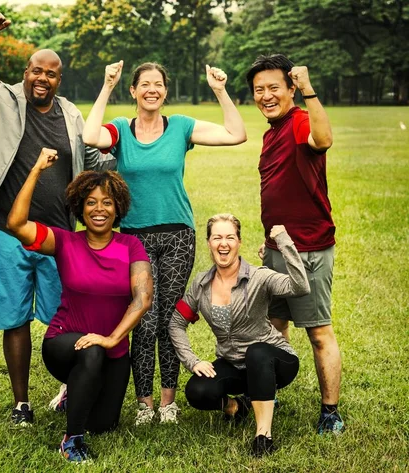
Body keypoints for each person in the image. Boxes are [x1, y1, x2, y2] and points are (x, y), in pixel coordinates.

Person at [0, 9, 114, 426]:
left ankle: (70, 390)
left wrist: (132, 154)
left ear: (58, 80)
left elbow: (92, 158)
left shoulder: (71, 113)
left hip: (57, 235)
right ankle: (21, 404)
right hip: (3, 229)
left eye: (50, 74)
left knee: (64, 316)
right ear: (26, 72)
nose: (42, 79)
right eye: (36, 71)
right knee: (14, 317)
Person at [83, 60, 247, 425]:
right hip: (135, 238)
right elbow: (89, 136)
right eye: (145, 84)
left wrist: (220, 90)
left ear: (165, 91)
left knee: (168, 319)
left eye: (158, 84)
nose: (152, 90)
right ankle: (144, 404)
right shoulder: (121, 130)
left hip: (177, 235)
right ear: (134, 91)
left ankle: (168, 402)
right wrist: (107, 85)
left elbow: (236, 134)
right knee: (143, 318)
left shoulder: (182, 127)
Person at [6, 148, 153, 462]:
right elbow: (16, 224)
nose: (99, 210)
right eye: (91, 202)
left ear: (118, 208)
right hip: (64, 343)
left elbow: (143, 298)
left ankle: (73, 394)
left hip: (112, 350)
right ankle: (71, 441)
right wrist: (35, 170)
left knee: (104, 424)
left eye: (107, 203)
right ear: (79, 207)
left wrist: (113, 338)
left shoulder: (131, 245)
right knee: (91, 351)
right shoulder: (64, 242)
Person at [246, 54, 344, 434]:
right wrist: (270, 239)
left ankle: (330, 412)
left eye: (274, 87)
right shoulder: (272, 130)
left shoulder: (301, 119)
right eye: (259, 90)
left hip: (307, 250)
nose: (266, 95)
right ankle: (272, 395)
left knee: (318, 331)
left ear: (290, 88)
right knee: (275, 325)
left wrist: (309, 91)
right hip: (277, 248)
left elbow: (324, 139)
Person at [169, 214, 309, 456]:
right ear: (209, 243)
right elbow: (176, 323)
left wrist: (285, 243)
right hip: (234, 364)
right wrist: (192, 361)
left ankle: (263, 436)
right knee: (197, 391)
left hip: (275, 362)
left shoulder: (258, 277)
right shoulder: (201, 285)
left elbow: (300, 287)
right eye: (217, 237)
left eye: (230, 237)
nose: (223, 244)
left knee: (256, 352)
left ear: (239, 242)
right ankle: (237, 407)